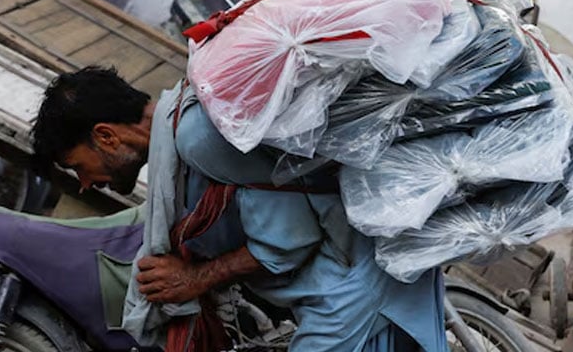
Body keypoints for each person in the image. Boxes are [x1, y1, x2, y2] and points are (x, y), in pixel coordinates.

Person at [31, 66, 447, 351]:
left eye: (76, 168)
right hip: (348, 274)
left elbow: (287, 241)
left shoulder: (195, 136)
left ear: (105, 137)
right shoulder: (183, 125)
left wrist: (194, 278)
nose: (84, 183)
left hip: (355, 285)